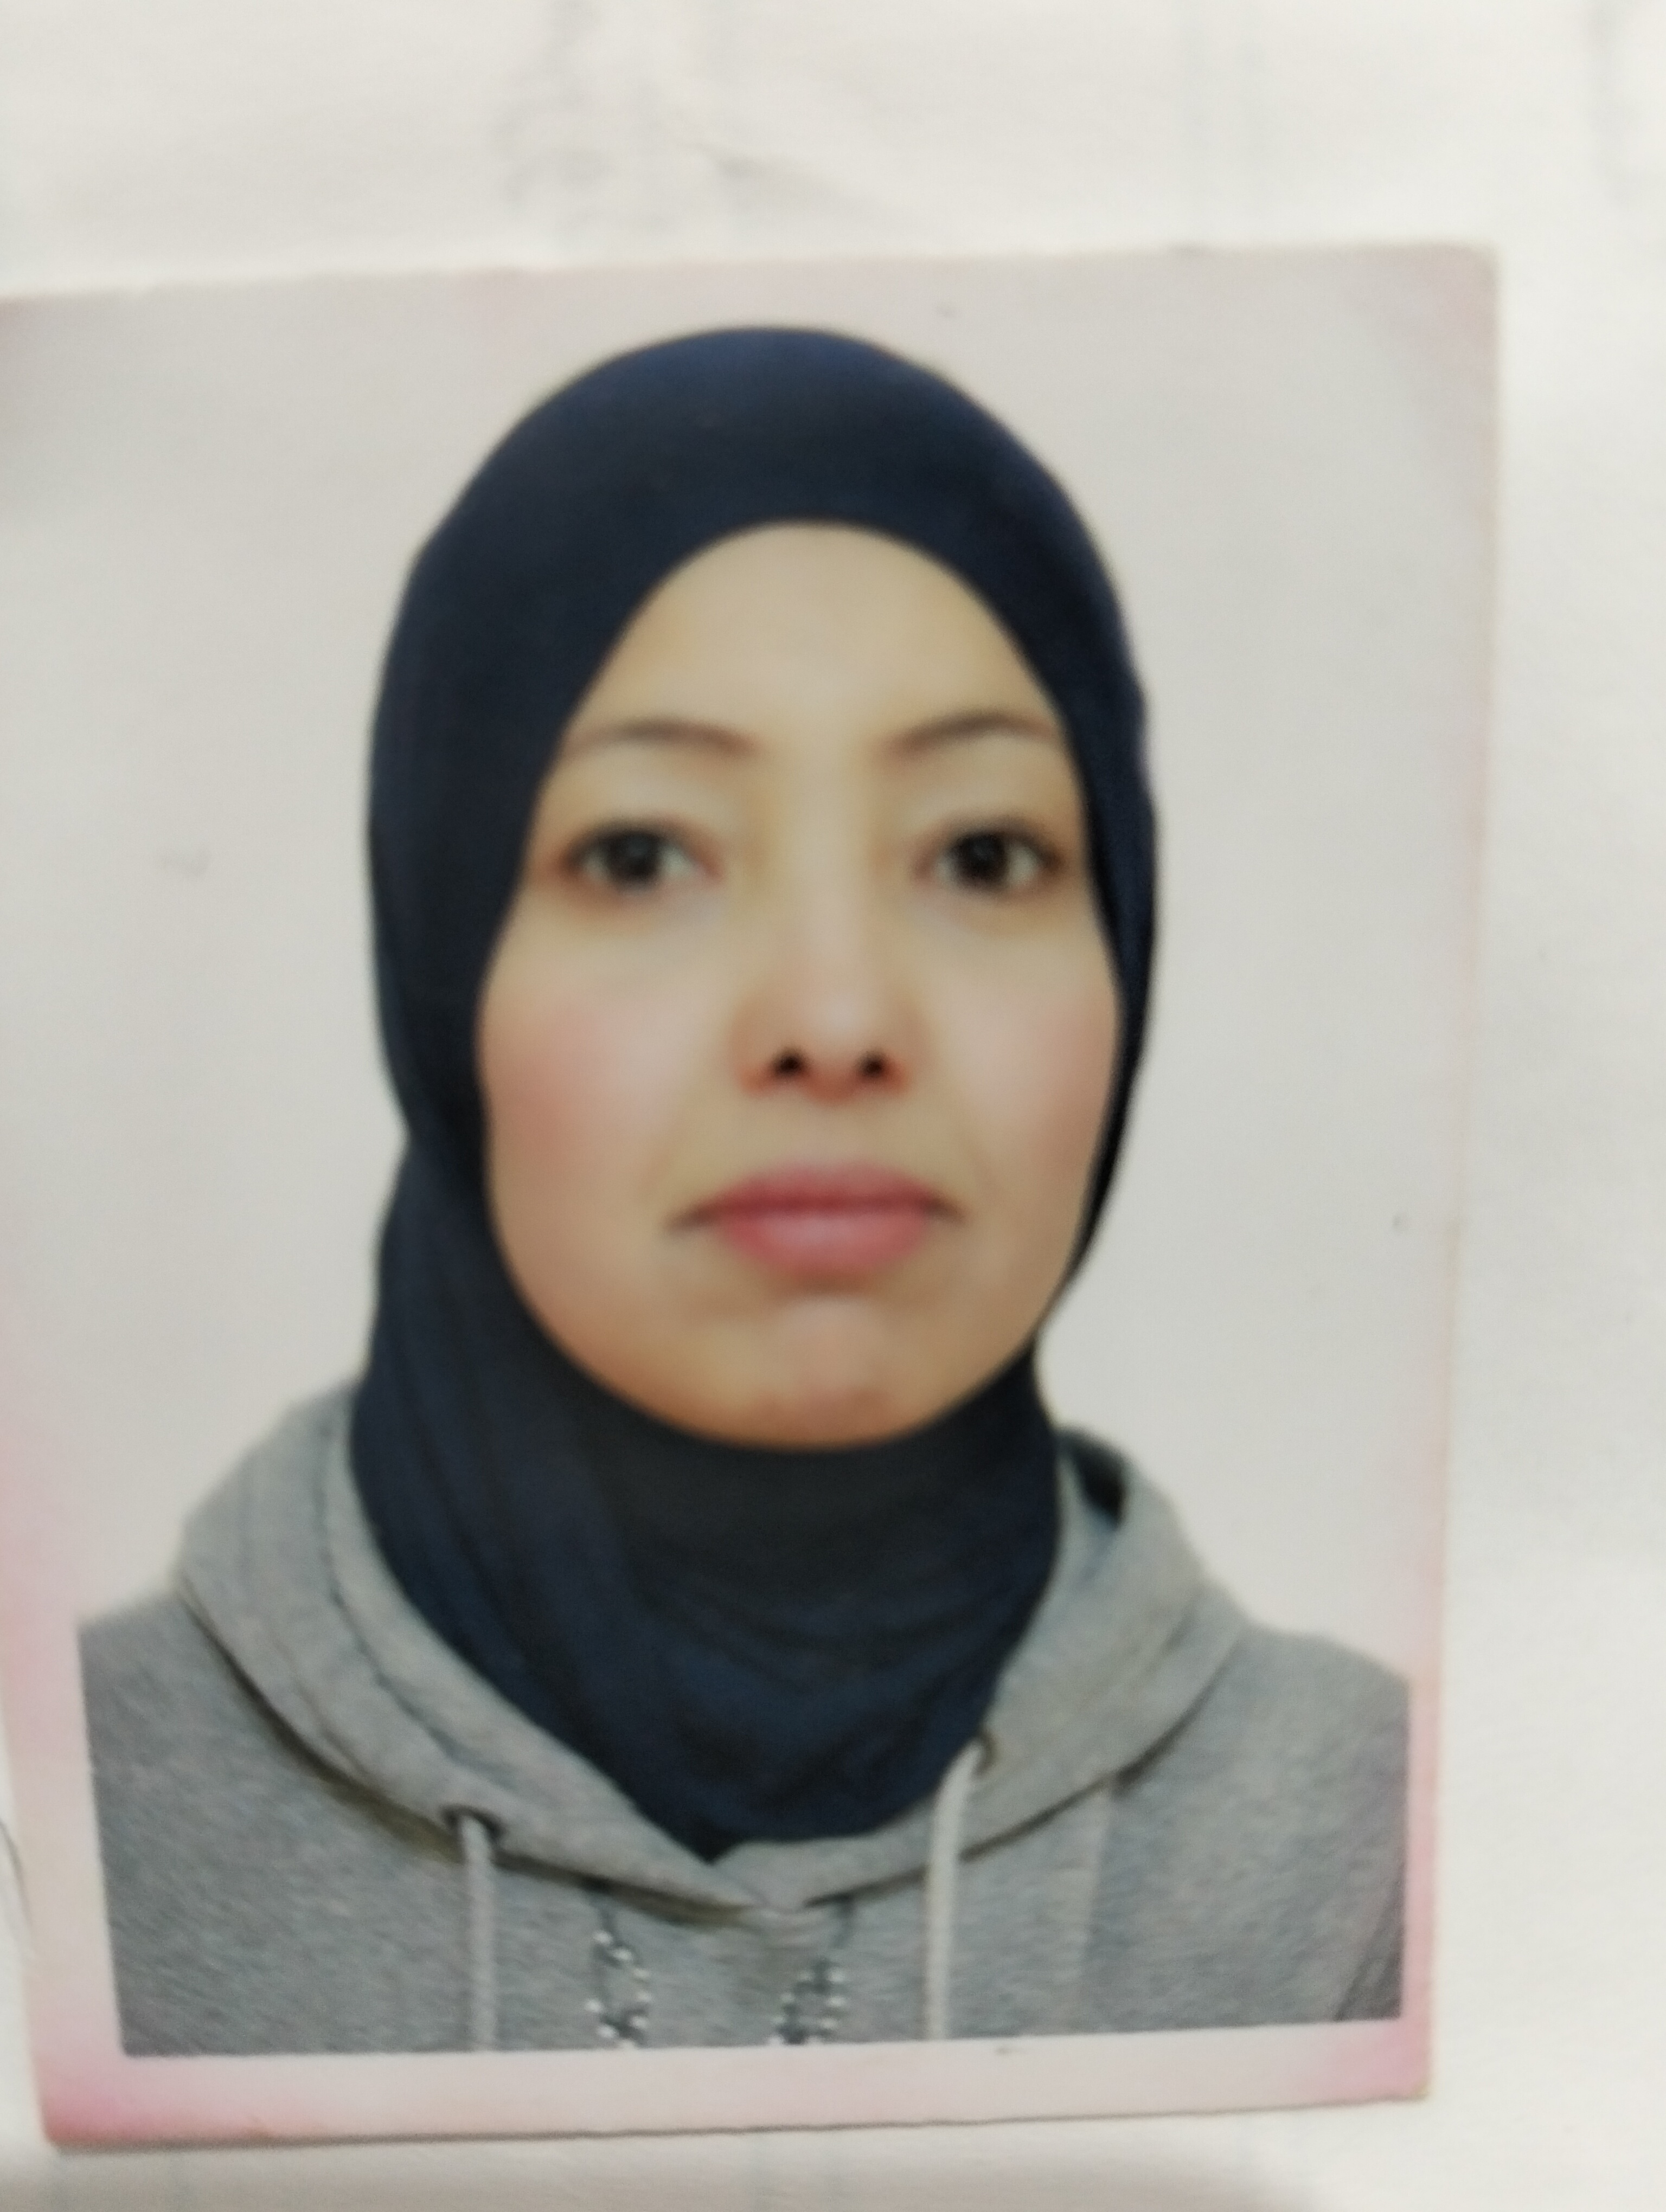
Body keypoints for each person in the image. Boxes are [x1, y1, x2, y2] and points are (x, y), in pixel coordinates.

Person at [81, 328, 1406, 2057]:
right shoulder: (72, 1812)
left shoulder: (1385, 1856)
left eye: (982, 853)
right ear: (441, 960)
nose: (836, 1020)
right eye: (642, 854)